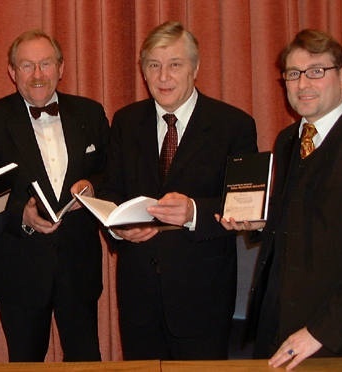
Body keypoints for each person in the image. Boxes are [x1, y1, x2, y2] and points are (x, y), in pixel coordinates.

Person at [98, 21, 258, 360]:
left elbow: (246, 205)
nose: (163, 77)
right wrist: (121, 228)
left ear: (195, 68)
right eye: (154, 66)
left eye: (175, 65)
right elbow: (110, 190)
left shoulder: (234, 125)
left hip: (203, 296)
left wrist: (194, 212)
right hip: (138, 292)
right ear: (143, 71)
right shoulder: (125, 121)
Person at [218, 29, 342, 369]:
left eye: (316, 71)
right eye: (293, 73)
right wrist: (262, 223)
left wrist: (318, 332)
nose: (303, 84)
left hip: (336, 338)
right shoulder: (288, 139)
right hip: (275, 328)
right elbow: (300, 219)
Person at [0, 30, 109, 362]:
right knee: (25, 364)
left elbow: (111, 174)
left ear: (61, 68)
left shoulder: (90, 113)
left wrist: (92, 188)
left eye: (45, 64)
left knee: (86, 364)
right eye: (27, 65)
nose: (37, 75)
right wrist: (21, 216)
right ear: (12, 71)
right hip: (19, 271)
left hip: (79, 269)